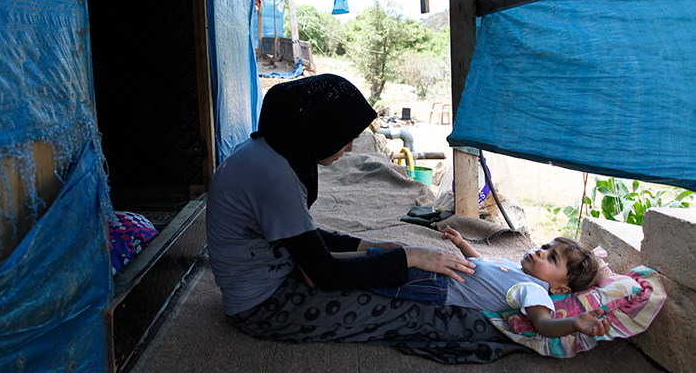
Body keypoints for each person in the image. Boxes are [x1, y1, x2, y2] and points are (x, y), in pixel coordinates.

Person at [206, 74, 529, 364]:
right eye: (342, 136)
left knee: (389, 275)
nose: (348, 149)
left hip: (280, 273)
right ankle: (522, 329)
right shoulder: (273, 175)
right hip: (266, 307)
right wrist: (409, 256)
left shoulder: (266, 153)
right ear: (316, 128)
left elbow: (300, 236)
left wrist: (369, 244)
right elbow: (323, 274)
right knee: (416, 312)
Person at [370, 229, 610, 339]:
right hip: (440, 269)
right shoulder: (519, 270)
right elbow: (481, 266)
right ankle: (343, 257)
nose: (540, 252)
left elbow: (543, 325)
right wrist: (462, 244)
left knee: (378, 271)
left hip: (437, 284)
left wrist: (574, 323)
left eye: (552, 258)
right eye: (546, 247)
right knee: (390, 252)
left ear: (559, 289)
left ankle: (340, 270)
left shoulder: (534, 291)